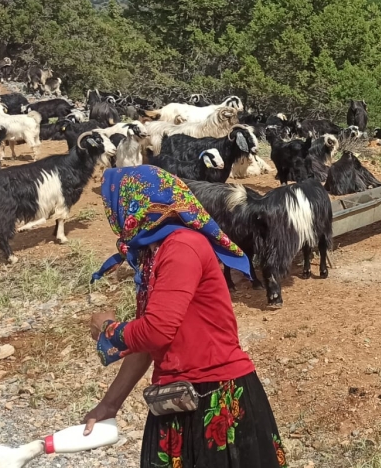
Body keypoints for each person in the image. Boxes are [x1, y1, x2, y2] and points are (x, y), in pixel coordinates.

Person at [83, 165, 287, 468]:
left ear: (134, 204)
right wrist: (109, 404)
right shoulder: (157, 254)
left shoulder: (182, 247)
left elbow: (156, 330)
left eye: (112, 205)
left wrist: (109, 330)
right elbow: (148, 342)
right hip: (178, 400)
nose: (111, 214)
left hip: (214, 398)